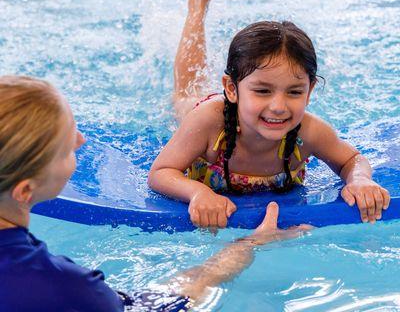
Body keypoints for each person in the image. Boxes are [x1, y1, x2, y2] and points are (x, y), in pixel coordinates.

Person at [0, 75, 310, 312]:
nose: (81, 140)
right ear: (25, 190)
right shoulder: (64, 287)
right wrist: (247, 246)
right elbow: (161, 304)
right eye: (65, 145)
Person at [148, 0, 391, 229]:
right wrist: (197, 192)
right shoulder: (208, 122)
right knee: (187, 90)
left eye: (294, 92)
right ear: (231, 88)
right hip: (211, 113)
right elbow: (161, 173)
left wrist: (360, 179)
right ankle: (198, 5)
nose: (278, 106)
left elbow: (351, 160)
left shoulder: (309, 132)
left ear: (310, 90)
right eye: (263, 91)